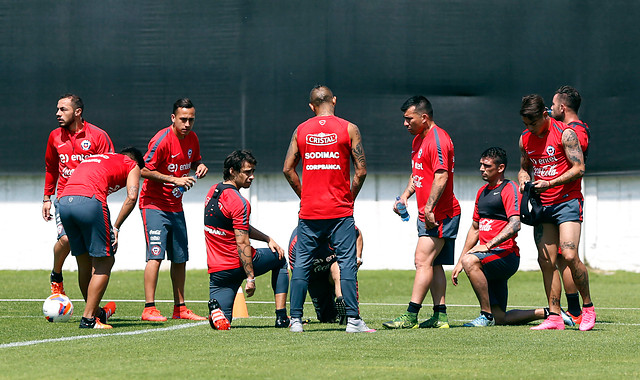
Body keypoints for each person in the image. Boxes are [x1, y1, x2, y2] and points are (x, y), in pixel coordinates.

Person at [283, 84, 374, 333]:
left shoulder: (301, 130)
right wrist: (350, 197)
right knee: (346, 263)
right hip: (340, 210)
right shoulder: (349, 128)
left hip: (310, 211)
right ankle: (354, 321)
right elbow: (361, 170)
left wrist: (305, 195)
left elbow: (287, 169)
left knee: (301, 264)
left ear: (311, 106)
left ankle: (296, 321)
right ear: (334, 100)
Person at [519, 94, 595, 331]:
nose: (530, 128)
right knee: (546, 261)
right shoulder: (524, 138)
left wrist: (550, 183)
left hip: (567, 201)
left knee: (570, 255)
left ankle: (588, 308)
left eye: (533, 122)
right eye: (526, 124)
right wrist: (524, 181)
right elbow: (524, 169)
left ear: (545, 114)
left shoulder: (565, 133)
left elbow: (579, 168)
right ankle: (554, 316)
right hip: (543, 205)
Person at [383, 96, 460, 329]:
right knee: (434, 264)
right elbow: (418, 172)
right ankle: (440, 316)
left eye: (409, 119)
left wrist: (429, 208)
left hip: (440, 214)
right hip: (428, 213)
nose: (405, 123)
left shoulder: (438, 139)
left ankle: (411, 315)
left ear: (424, 117)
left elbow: (441, 175)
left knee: (421, 261)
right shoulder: (418, 140)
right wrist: (406, 196)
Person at [58, 147, 144, 329]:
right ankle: (89, 319)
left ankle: (95, 312)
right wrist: (116, 227)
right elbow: (132, 196)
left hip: (64, 203)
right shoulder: (132, 164)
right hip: (89, 201)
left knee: (84, 262)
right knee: (105, 261)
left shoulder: (97, 158)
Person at [139, 98, 208, 322]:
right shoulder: (161, 140)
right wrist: (173, 179)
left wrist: (200, 166)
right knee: (156, 255)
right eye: (183, 119)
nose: (187, 124)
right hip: (153, 205)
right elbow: (144, 170)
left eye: (191, 120)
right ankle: (149, 308)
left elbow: (196, 160)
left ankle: (180, 308)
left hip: (175, 206)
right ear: (173, 118)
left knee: (180, 257)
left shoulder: (193, 138)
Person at [205, 150, 289, 329]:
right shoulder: (239, 202)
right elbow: (242, 242)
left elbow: (236, 227)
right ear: (232, 171)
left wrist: (267, 238)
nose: (252, 177)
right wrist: (250, 277)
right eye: (247, 172)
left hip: (218, 271)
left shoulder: (213, 191)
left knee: (223, 323)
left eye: (253, 172)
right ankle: (282, 317)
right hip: (238, 264)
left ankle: (216, 312)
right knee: (280, 258)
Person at [43, 94, 114, 295]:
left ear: (78, 112)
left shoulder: (98, 136)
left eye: (63, 109)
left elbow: (109, 168)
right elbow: (51, 168)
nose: (57, 113)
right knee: (65, 239)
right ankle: (56, 275)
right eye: (57, 109)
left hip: (92, 201)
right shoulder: (54, 136)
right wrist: (47, 197)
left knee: (93, 257)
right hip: (64, 199)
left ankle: (93, 311)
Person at [452, 147, 522, 326]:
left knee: (471, 261)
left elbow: (515, 224)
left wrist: (488, 245)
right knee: (501, 318)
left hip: (505, 255)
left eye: (487, 165)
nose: (481, 168)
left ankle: (485, 316)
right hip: (487, 255)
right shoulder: (482, 191)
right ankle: (548, 312)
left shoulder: (510, 187)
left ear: (500, 168)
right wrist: (460, 260)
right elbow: (475, 229)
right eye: (481, 165)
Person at [549, 85, 591, 324]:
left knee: (569, 256)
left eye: (554, 106)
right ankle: (573, 311)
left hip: (568, 201)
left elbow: (576, 164)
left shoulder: (576, 131)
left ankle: (579, 308)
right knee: (559, 258)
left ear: (562, 108)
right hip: (552, 201)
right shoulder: (565, 128)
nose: (551, 109)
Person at [288, 225, 364, 324]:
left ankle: (346, 308)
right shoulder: (298, 243)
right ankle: (336, 309)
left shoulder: (338, 227)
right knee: (328, 318)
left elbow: (357, 234)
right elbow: (299, 278)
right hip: (314, 276)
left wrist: (358, 257)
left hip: (334, 268)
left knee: (340, 267)